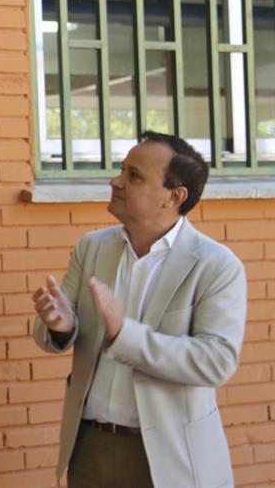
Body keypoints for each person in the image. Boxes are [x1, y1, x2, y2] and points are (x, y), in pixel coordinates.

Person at [32, 131, 247, 488]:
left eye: (134, 176)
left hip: (170, 457)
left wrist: (124, 334)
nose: (115, 181)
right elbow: (53, 331)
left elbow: (216, 361)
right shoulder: (92, 248)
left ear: (174, 196)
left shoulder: (216, 265)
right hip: (90, 448)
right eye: (122, 170)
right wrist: (60, 327)